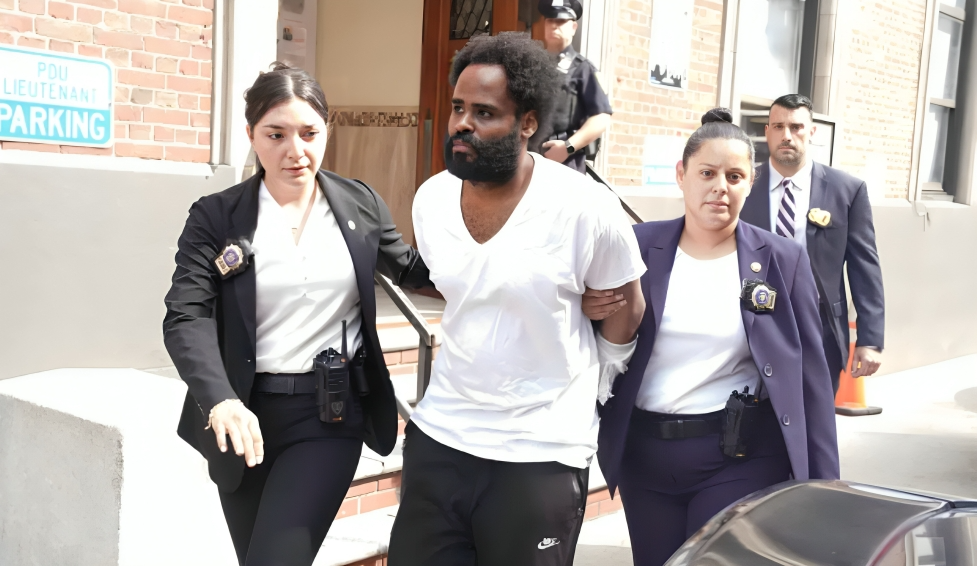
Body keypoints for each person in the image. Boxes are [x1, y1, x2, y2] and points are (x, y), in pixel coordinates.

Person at [387, 33, 646, 566]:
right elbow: (464, 286)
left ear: (527, 123)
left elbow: (627, 305)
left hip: (541, 451)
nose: (462, 123)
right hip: (442, 434)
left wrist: (598, 383)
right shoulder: (431, 199)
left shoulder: (586, 208)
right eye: (458, 107)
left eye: (484, 112)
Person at [162, 63, 432, 566]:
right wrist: (220, 400)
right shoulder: (216, 217)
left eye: (309, 133)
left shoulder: (360, 204)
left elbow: (417, 272)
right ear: (251, 135)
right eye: (276, 134)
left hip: (328, 414)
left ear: (328, 129)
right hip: (243, 416)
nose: (295, 150)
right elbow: (186, 315)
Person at [589, 108, 840, 566]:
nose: (720, 186)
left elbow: (810, 379)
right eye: (707, 173)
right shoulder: (638, 246)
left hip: (738, 458)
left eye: (734, 176)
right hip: (645, 458)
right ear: (682, 175)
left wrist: (825, 485)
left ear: (751, 183)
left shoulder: (783, 260)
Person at [740, 94, 885, 393]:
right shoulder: (741, 186)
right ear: (767, 131)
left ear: (812, 132)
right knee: (751, 417)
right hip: (750, 325)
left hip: (820, 329)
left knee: (815, 417)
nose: (787, 136)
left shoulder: (847, 190)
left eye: (796, 127)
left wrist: (870, 339)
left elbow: (864, 267)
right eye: (778, 127)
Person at [537, 0, 613, 173]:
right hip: (529, 158)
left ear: (573, 27)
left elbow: (601, 117)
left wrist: (567, 147)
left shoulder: (583, 69)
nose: (554, 25)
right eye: (550, 20)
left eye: (561, 21)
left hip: (564, 164)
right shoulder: (533, 64)